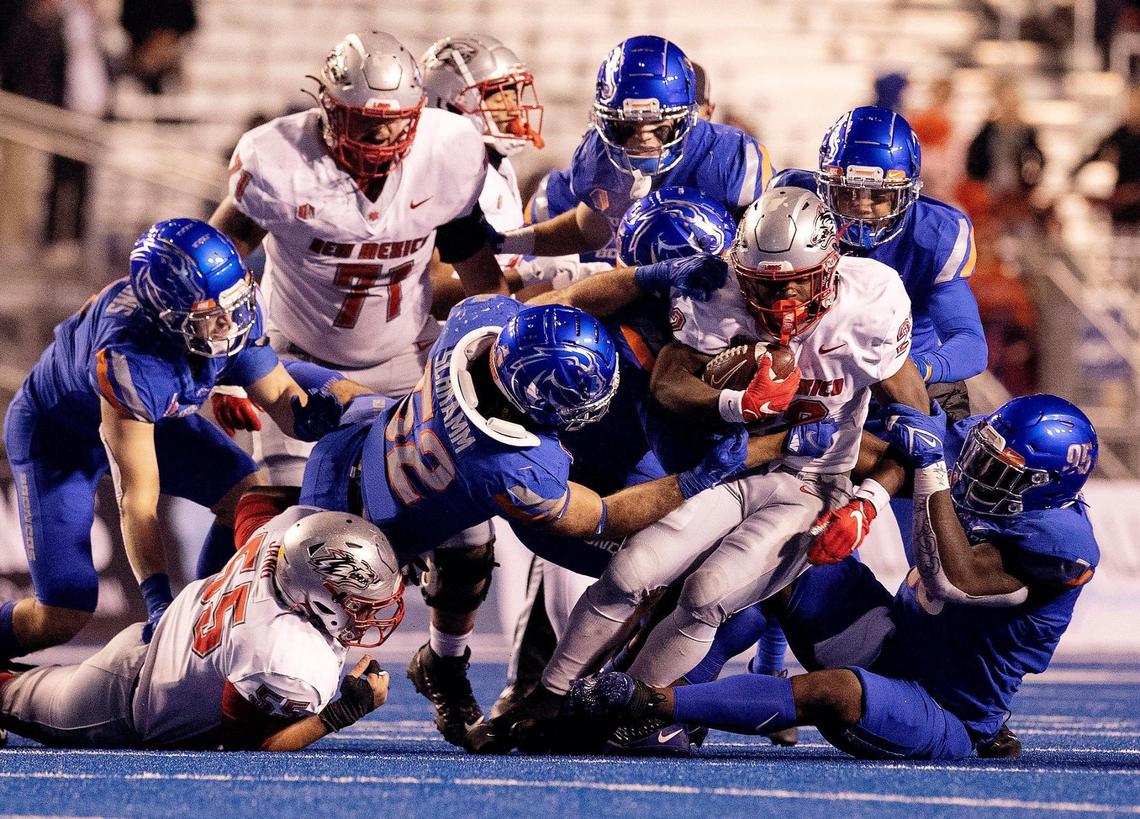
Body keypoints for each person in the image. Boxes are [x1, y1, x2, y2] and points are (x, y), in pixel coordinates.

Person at [475, 187, 931, 754]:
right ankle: (549, 697)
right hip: (734, 466)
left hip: (813, 485)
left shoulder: (872, 302)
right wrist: (737, 405)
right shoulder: (719, 290)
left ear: (829, 265)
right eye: (764, 284)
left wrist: (868, 502)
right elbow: (669, 383)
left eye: (795, 282)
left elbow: (918, 431)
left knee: (707, 594)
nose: (781, 299)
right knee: (633, 571)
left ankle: (625, 707)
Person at [298, 254, 761, 745]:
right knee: (300, 670)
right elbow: (602, 516)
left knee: (468, 543)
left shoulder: (475, 323)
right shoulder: (515, 465)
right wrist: (696, 478)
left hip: (351, 450)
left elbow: (567, 300)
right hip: (364, 535)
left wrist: (652, 274)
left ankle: (445, 668)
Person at [569, 394, 1099, 761]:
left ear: (1048, 488)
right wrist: (867, 455)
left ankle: (645, 701)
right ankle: (664, 717)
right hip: (892, 638)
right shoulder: (986, 457)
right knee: (773, 559)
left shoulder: (1059, 548)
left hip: (943, 706)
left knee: (836, 692)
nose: (978, 472)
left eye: (1001, 472)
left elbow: (951, 580)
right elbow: (906, 444)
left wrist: (932, 465)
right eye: (982, 456)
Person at [0, 218, 347, 665]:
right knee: (65, 611)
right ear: (166, 315)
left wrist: (317, 415)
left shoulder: (225, 310)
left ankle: (208, 617)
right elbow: (137, 502)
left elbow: (280, 395)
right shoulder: (130, 355)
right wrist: (158, 600)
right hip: (60, 438)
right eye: (210, 315)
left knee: (247, 495)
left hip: (147, 414)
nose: (230, 323)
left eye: (235, 303)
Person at [208, 30, 508, 487]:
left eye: (397, 120)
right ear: (329, 110)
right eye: (364, 119)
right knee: (296, 509)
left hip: (409, 357)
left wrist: (497, 356)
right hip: (299, 362)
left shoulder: (445, 154)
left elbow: (479, 272)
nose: (382, 132)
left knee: (459, 515)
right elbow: (211, 269)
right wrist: (232, 368)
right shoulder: (280, 162)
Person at [0, 489, 404, 750]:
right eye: (360, 603)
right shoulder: (285, 658)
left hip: (157, 644)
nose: (370, 613)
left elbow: (253, 502)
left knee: (24, 684)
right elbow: (249, 744)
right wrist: (339, 714)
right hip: (123, 705)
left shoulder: (289, 536)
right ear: (314, 596)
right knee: (6, 695)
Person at [495, 36, 773, 262]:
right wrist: (503, 242)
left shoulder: (730, 158)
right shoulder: (597, 157)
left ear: (687, 118)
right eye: (627, 126)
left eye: (658, 126)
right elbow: (588, 230)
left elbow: (769, 250)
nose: (642, 138)